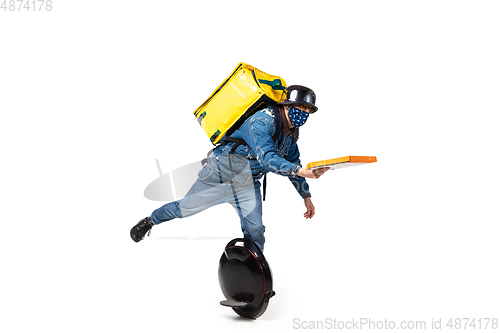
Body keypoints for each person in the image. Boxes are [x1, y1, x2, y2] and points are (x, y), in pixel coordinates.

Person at [130, 85, 328, 252]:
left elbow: (294, 160)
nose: (303, 112)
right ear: (286, 105)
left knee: (256, 231)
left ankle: (252, 279)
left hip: (247, 183)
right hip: (218, 175)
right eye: (300, 107)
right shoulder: (262, 121)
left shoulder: (292, 132)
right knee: (184, 208)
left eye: (308, 109)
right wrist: (300, 172)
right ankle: (150, 220)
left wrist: (306, 196)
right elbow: (267, 158)